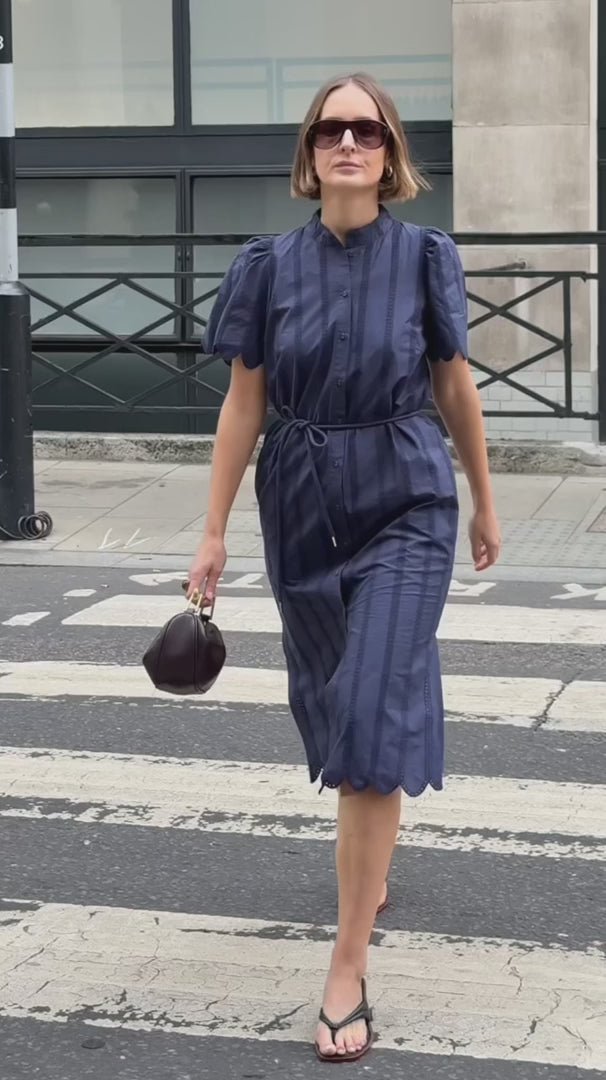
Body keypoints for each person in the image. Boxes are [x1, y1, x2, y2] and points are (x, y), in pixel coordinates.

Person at [187, 71, 501, 1063]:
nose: (350, 143)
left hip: (407, 495)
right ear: (311, 153)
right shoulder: (267, 266)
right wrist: (211, 531)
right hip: (302, 500)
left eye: (367, 129)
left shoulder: (426, 257)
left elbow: (455, 385)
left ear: (391, 150)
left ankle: (346, 965)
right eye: (332, 130)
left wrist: (485, 497)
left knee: (370, 711)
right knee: (330, 701)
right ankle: (372, 852)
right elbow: (244, 403)